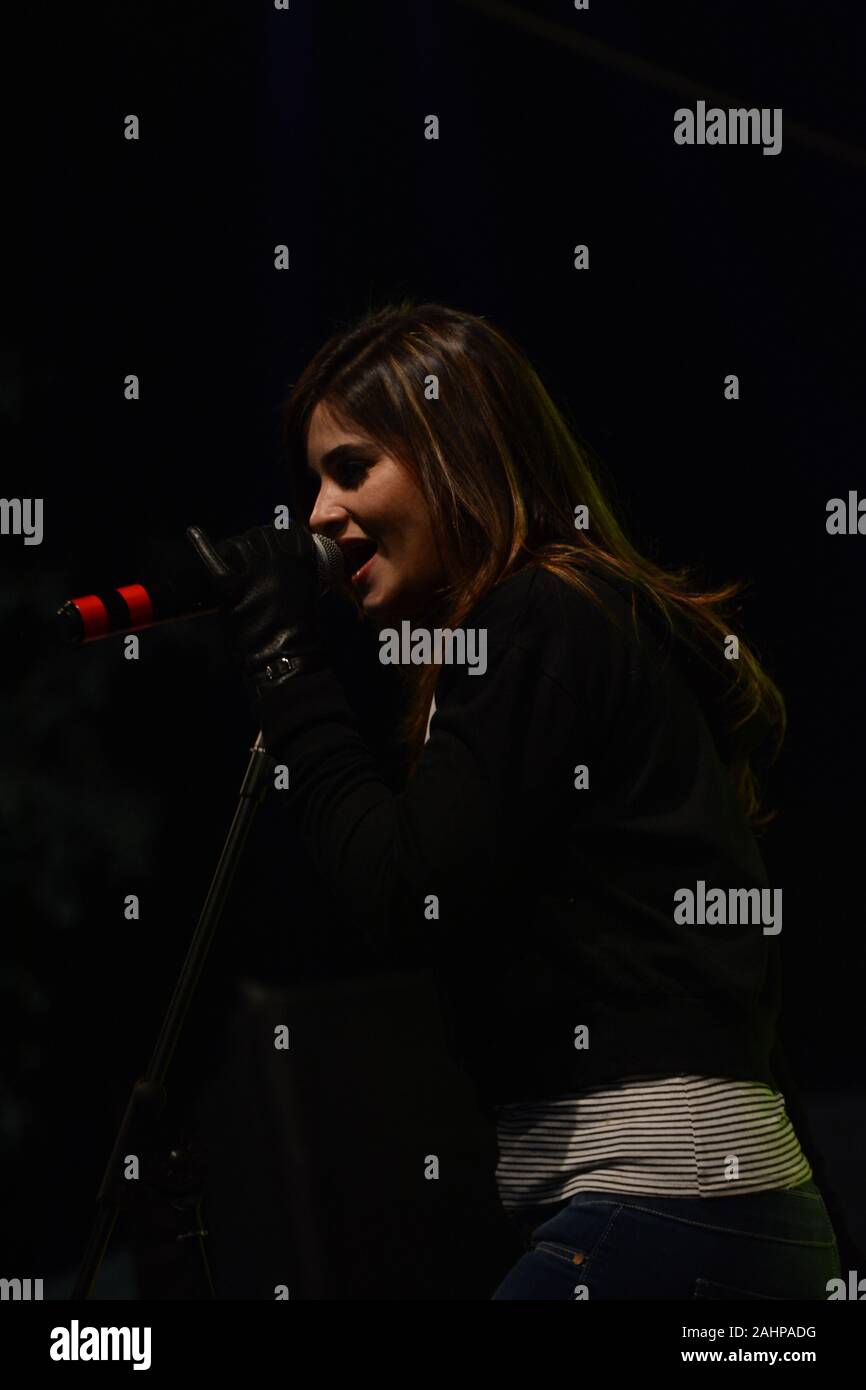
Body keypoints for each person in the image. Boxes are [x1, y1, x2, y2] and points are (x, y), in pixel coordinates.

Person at [188, 301, 842, 1300]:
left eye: (351, 467)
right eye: (313, 479)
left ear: (456, 453)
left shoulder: (534, 611)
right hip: (709, 1208)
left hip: (664, 1204)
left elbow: (404, 888)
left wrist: (287, 672)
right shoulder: (566, 615)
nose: (317, 513)